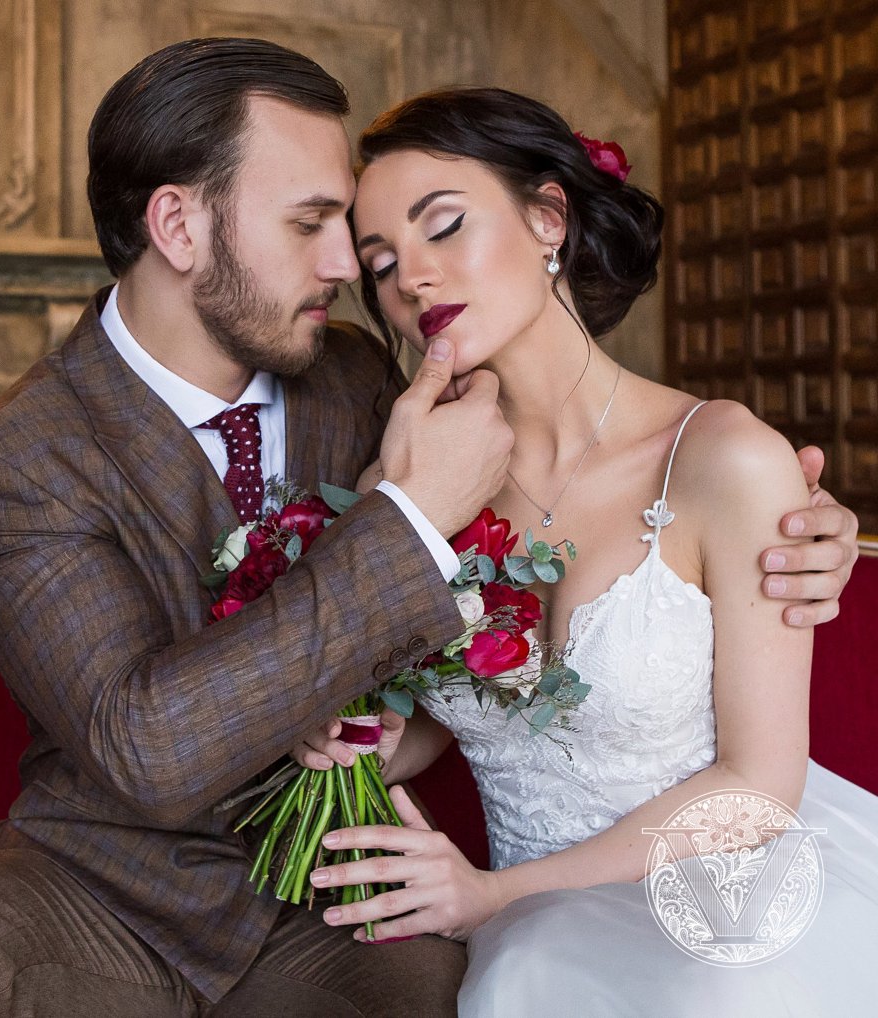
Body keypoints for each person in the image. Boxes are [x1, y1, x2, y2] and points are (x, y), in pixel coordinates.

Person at [0, 39, 858, 1018]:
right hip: (102, 876)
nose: (358, 271)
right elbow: (155, 746)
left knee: (464, 987)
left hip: (365, 891)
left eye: (384, 236)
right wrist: (408, 533)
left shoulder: (363, 382)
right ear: (177, 225)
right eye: (321, 227)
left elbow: (594, 554)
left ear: (549, 219)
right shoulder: (11, 459)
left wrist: (804, 526)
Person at [293, 86, 878, 1015]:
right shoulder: (412, 483)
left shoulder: (723, 459)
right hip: (537, 924)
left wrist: (493, 896)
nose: (413, 280)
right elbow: (474, 712)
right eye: (382, 263)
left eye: (444, 226)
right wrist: (362, 736)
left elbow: (759, 788)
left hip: (731, 891)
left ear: (547, 218)